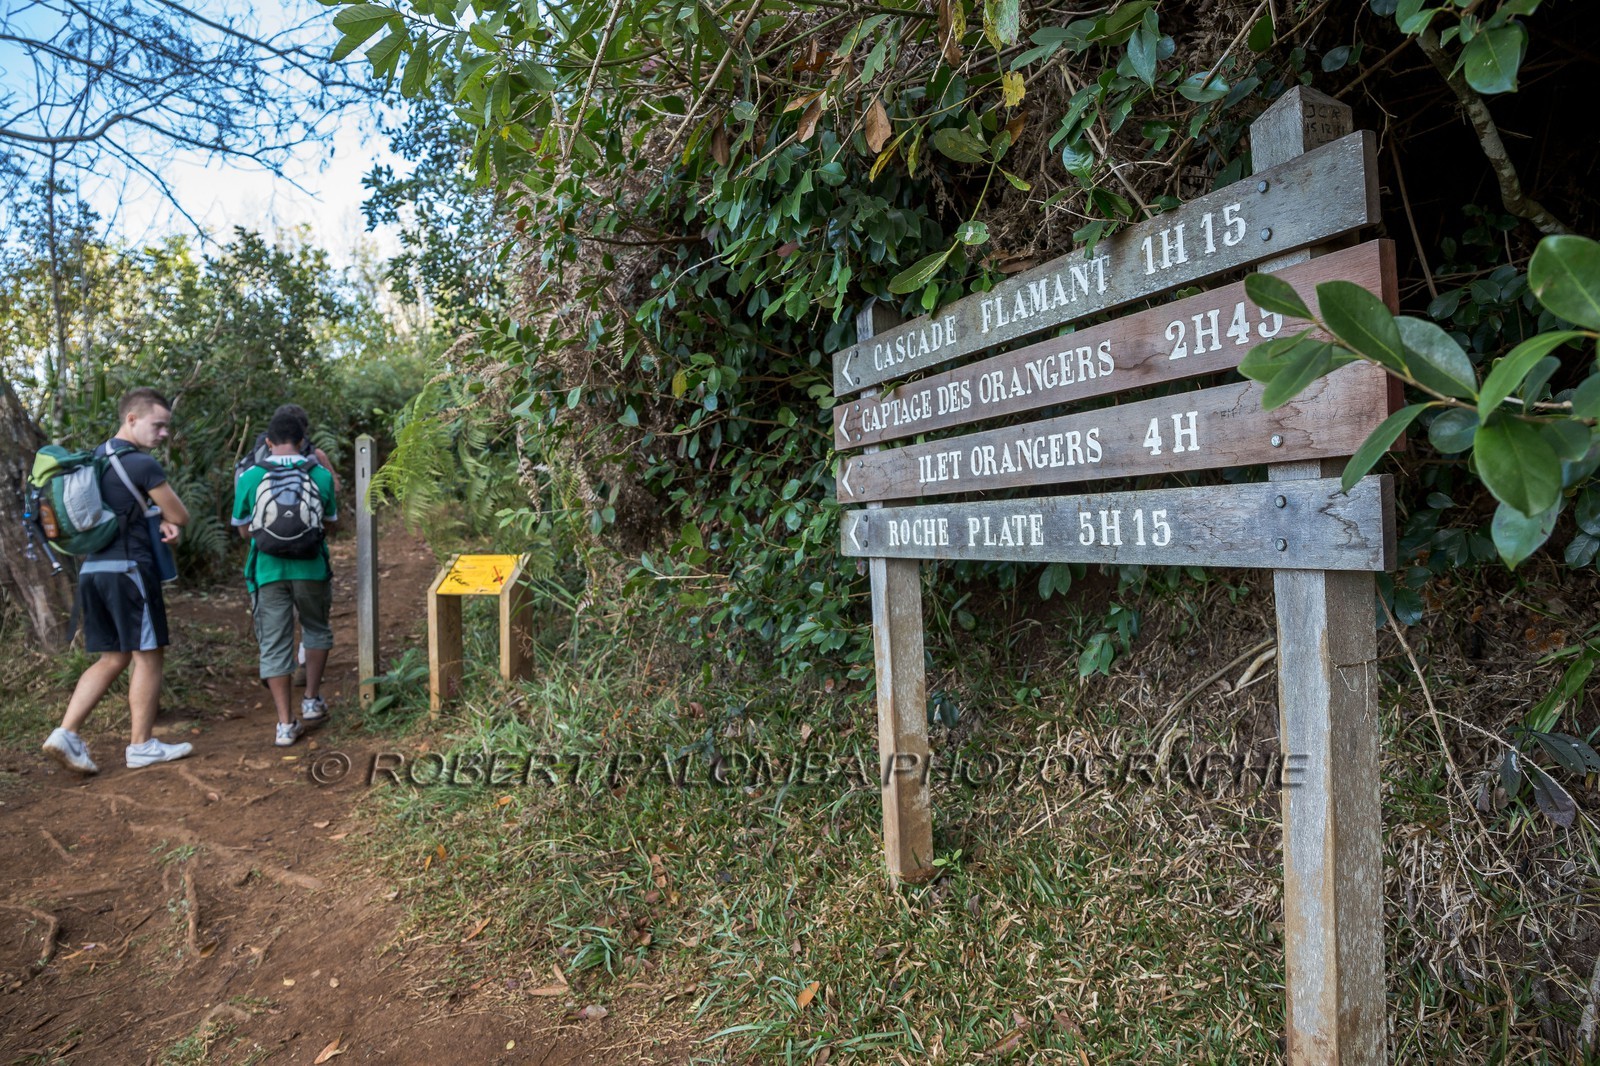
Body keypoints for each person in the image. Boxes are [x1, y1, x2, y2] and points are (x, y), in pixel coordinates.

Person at [42, 387, 194, 774]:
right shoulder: (142, 465)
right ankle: (141, 745)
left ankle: (66, 732)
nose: (163, 434)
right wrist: (166, 520)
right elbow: (181, 514)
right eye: (158, 425)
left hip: (93, 570)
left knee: (114, 656)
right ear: (131, 419)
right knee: (149, 653)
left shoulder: (93, 459)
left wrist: (154, 517)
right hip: (129, 571)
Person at [233, 409, 339, 747]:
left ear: (267, 442)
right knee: (316, 629)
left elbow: (243, 529)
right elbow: (331, 523)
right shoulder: (319, 474)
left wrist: (272, 539)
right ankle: (310, 699)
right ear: (303, 441)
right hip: (312, 567)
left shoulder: (250, 476)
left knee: (274, 643)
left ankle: (284, 723)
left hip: (267, 570)